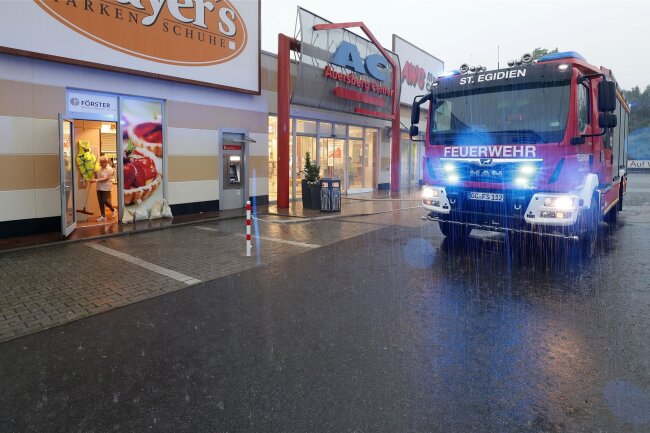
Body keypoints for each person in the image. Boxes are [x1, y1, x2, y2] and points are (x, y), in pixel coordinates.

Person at [90, 156, 115, 222]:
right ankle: (103, 216)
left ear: (106, 162)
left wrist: (96, 180)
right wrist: (94, 175)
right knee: (100, 202)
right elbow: (96, 177)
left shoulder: (109, 169)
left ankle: (113, 209)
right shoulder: (99, 168)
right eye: (100, 162)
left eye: (101, 162)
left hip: (106, 187)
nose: (100, 163)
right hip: (99, 187)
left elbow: (105, 179)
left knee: (105, 200)